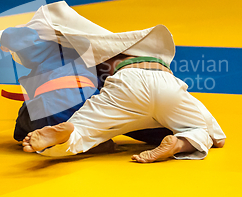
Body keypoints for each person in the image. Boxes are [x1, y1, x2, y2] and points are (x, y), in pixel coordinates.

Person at [0, 1, 173, 145]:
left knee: (24, 123)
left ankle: (79, 140)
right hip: (85, 105)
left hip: (48, 105)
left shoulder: (47, 45)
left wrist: (8, 36)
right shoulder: (92, 57)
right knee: (123, 118)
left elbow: (22, 40)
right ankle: (165, 133)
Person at [23, 53, 226, 163]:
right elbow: (220, 140)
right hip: (168, 86)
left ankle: (70, 133)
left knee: (83, 131)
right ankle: (179, 144)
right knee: (203, 133)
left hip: (126, 82)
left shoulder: (104, 54)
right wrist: (208, 134)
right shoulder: (158, 60)